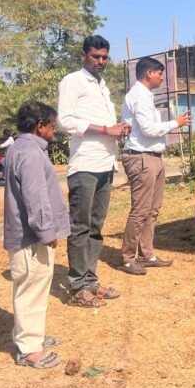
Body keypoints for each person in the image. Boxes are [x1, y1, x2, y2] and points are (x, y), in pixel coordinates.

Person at [58, 35, 128, 308]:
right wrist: (105, 129)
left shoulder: (102, 86)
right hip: (84, 164)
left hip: (105, 163)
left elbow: (105, 124)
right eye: (96, 56)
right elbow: (65, 120)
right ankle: (77, 286)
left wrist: (117, 129)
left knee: (96, 227)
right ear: (83, 56)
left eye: (104, 57)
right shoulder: (72, 81)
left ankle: (91, 280)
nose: (101, 62)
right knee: (80, 227)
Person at [4, 100, 70, 369]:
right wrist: (46, 231)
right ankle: (29, 349)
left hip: (29, 235)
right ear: (40, 126)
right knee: (31, 287)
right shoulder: (30, 153)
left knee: (36, 285)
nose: (54, 131)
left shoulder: (22, 148)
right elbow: (35, 197)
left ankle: (33, 336)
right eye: (52, 126)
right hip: (30, 237)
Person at [119, 57, 192, 275]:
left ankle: (147, 253)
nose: (162, 77)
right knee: (141, 210)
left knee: (152, 209)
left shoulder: (146, 96)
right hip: (141, 157)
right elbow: (149, 129)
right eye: (160, 73)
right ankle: (128, 257)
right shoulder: (138, 96)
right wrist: (175, 123)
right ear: (149, 73)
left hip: (152, 156)